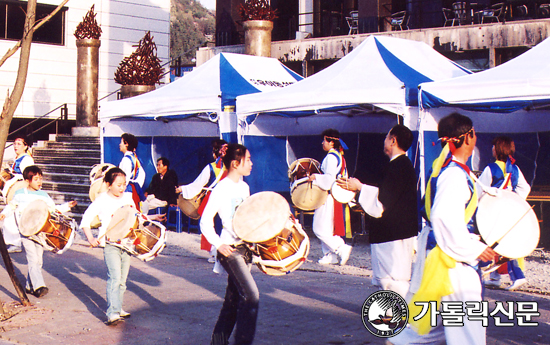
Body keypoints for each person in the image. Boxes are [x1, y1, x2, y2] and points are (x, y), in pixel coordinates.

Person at [390, 113, 496, 345]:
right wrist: (473, 248)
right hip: (452, 261)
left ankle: (399, 342)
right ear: (468, 137)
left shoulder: (446, 169)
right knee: (467, 330)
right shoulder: (454, 175)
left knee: (428, 329)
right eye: (474, 133)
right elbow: (444, 218)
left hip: (441, 256)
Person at [337, 124, 418, 298]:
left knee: (392, 279)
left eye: (387, 137)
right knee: (391, 278)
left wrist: (359, 187)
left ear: (393, 140)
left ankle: (408, 317)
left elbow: (383, 200)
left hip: (392, 234)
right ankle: (397, 316)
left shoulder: (398, 166)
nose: (384, 140)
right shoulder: (401, 165)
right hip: (396, 232)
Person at [199, 143, 257, 345]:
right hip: (230, 250)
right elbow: (205, 220)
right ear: (235, 163)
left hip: (245, 248)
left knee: (233, 301)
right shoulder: (222, 188)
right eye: (248, 159)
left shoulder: (244, 187)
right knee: (251, 296)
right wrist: (218, 244)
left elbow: (247, 218)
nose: (251, 163)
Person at [0, 166, 76, 297]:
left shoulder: (43, 195)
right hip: (26, 231)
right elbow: (11, 206)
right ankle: (39, 286)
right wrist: (4, 214)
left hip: (40, 232)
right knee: (33, 258)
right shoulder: (19, 194)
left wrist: (66, 206)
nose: (39, 182)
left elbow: (53, 210)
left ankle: (29, 286)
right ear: (27, 180)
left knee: (38, 260)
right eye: (36, 179)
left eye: (41, 179)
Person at [80, 167, 136, 326]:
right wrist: (90, 237)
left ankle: (118, 308)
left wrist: (153, 217)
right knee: (115, 277)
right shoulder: (102, 199)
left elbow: (136, 216)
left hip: (127, 244)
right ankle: (112, 312)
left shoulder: (127, 198)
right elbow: (86, 219)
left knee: (123, 280)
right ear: (108, 184)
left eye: (124, 184)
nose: (122, 187)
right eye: (118, 184)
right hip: (111, 244)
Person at [478, 136, 530, 291]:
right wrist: (515, 199)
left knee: (495, 242)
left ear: (498, 149)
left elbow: (478, 189)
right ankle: (495, 277)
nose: (492, 148)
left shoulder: (490, 168)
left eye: (494, 146)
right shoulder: (515, 168)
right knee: (498, 243)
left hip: (494, 210)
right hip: (508, 209)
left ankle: (518, 276)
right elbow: (525, 188)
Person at [177, 139, 228, 262]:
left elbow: (198, 184)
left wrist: (182, 189)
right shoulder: (231, 168)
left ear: (214, 152)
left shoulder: (211, 167)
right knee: (224, 225)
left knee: (210, 224)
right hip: (227, 199)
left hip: (213, 198)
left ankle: (215, 252)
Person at [308, 129, 352, 265]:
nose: (322, 143)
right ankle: (329, 255)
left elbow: (329, 180)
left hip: (328, 196)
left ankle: (341, 248)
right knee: (326, 228)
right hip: (332, 196)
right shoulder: (338, 156)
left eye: (324, 141)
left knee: (319, 228)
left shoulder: (331, 157)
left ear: (331, 143)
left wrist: (315, 176)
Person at [2, 135, 34, 253]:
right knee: (13, 215)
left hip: (21, 190)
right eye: (15, 143)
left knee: (13, 214)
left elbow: (28, 176)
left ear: (26, 146)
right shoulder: (19, 157)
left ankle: (15, 243)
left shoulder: (26, 159)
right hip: (17, 189)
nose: (15, 146)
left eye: (19, 144)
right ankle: (16, 242)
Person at [119, 133, 145, 210]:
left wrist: (121, 189)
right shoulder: (135, 158)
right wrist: (137, 185)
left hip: (126, 191)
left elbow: (124, 178)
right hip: (132, 190)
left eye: (121, 142)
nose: (120, 144)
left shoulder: (126, 159)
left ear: (126, 144)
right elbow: (142, 174)